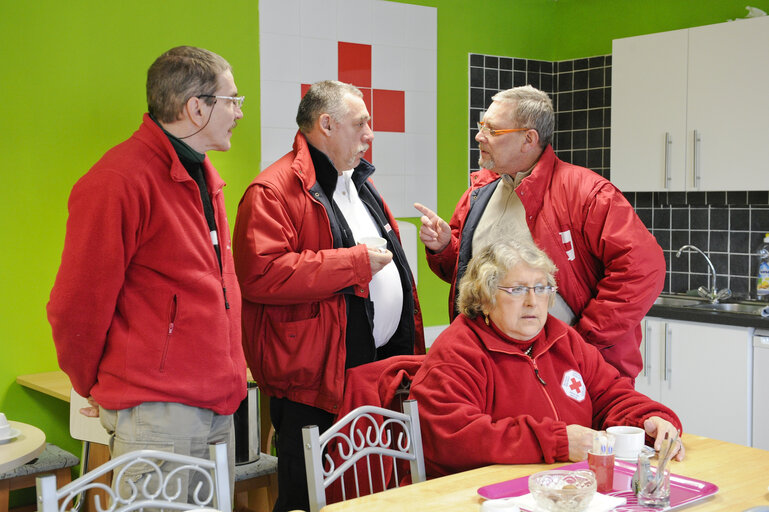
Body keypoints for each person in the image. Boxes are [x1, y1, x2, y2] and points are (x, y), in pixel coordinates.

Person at [47, 46, 247, 501]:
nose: (238, 113)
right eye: (232, 100)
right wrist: (89, 384)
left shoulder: (201, 174)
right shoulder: (119, 180)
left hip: (216, 404)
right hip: (158, 413)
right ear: (196, 107)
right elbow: (76, 306)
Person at [233, 79, 425, 512]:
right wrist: (353, 264)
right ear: (325, 125)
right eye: (361, 123)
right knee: (311, 498)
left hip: (372, 373)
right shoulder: (271, 191)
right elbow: (261, 274)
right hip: (313, 382)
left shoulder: (356, 182)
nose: (369, 134)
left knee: (370, 494)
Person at [415, 85, 665, 380]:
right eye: (481, 126)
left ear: (528, 139)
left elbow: (643, 269)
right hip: (492, 369)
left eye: (493, 131)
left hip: (574, 372)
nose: (479, 136)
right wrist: (445, 247)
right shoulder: (478, 193)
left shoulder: (588, 193)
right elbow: (473, 277)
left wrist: (582, 341)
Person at [409, 240, 684, 478]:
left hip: (566, 487)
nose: (533, 301)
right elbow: (453, 438)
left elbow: (611, 395)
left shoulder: (561, 337)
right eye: (517, 290)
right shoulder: (458, 350)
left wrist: (650, 419)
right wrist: (557, 442)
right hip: (485, 495)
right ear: (485, 298)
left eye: (541, 288)